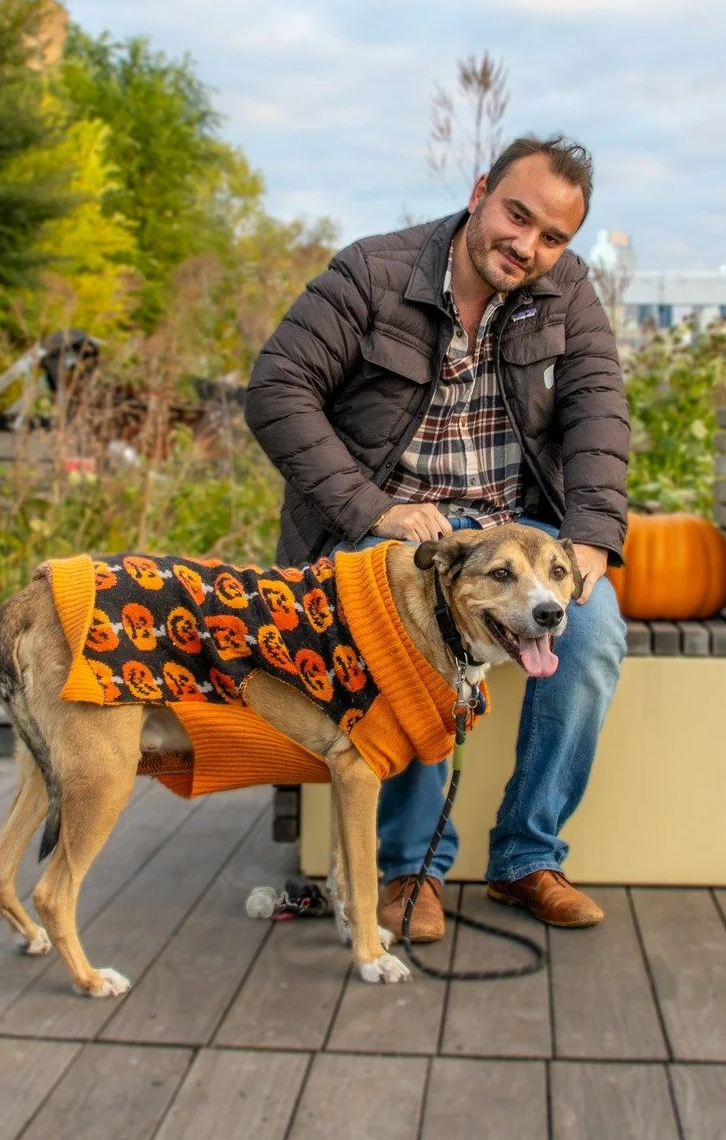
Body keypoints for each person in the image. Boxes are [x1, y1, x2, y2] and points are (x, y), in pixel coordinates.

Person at [244, 134, 629, 936]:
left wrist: (590, 534)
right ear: (480, 190)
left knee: (592, 634)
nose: (527, 246)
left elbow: (598, 408)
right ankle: (411, 870)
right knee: (412, 628)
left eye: (553, 237)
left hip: (509, 538)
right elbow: (278, 389)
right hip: (393, 531)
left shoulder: (568, 292)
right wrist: (369, 506)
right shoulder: (373, 272)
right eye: (516, 216)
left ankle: (528, 857)